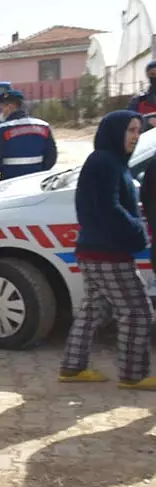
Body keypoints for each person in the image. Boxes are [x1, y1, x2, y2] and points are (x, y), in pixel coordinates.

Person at [59, 111, 156, 390]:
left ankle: (72, 368)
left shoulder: (111, 161)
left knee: (92, 311)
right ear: (114, 132)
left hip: (95, 250)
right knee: (137, 312)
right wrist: (136, 231)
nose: (135, 137)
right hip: (107, 253)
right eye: (130, 130)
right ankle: (133, 375)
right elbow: (107, 208)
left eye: (138, 131)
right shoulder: (105, 163)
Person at [0, 89, 57, 181]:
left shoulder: (1, 129)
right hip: (36, 180)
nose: (0, 112)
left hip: (9, 180)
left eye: (1, 108)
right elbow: (52, 156)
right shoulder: (44, 126)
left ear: (10, 107)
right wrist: (42, 171)